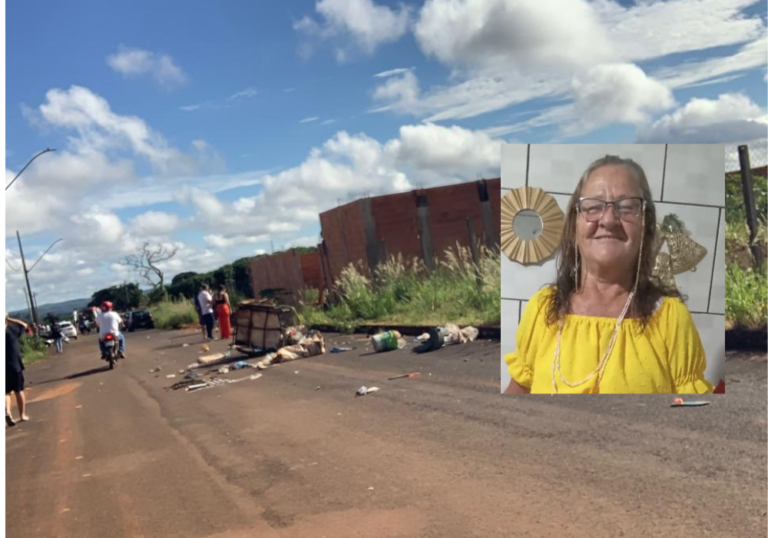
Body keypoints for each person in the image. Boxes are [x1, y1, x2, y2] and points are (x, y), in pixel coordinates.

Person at [504, 155, 713, 395]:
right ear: (575, 225)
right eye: (593, 206)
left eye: (627, 207)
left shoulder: (671, 318)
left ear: (645, 226)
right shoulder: (542, 310)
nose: (609, 219)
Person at [6, 315, 29, 426]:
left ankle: (7, 412)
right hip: (15, 366)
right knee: (18, 391)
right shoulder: (12, 331)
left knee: (6, 392)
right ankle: (22, 415)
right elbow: (24, 325)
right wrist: (9, 318)